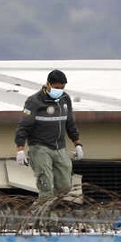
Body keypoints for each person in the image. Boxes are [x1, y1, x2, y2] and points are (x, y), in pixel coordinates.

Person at [14, 69, 84, 198]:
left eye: (62, 88)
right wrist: (20, 149)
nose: (59, 90)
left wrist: (77, 143)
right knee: (46, 185)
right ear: (48, 84)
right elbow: (24, 126)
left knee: (65, 186)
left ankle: (47, 206)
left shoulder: (65, 99)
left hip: (59, 147)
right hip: (40, 147)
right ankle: (43, 209)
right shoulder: (34, 101)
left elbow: (70, 123)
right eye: (56, 87)